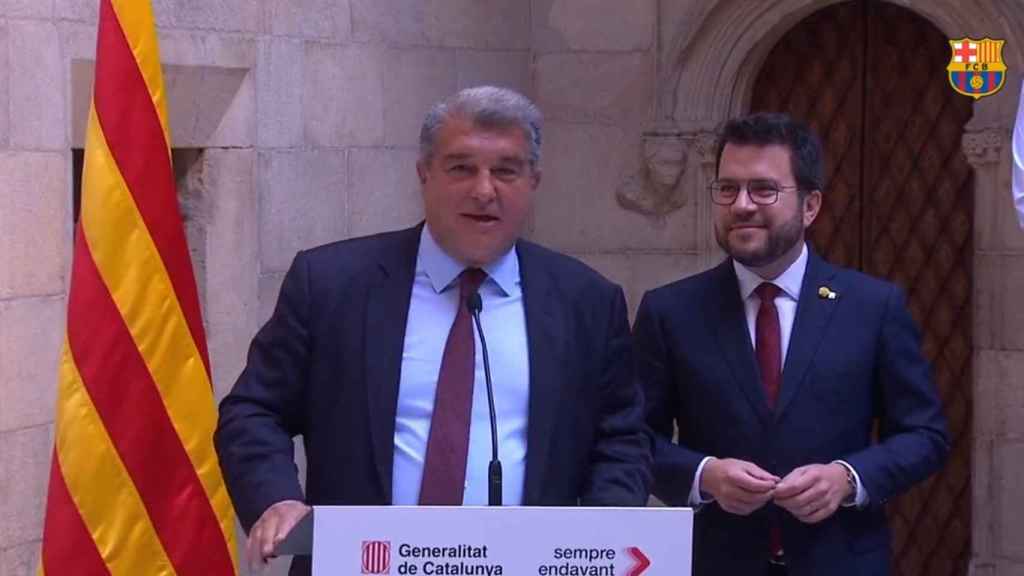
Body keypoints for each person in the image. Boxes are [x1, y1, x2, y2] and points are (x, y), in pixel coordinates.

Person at [215, 86, 651, 575]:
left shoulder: (585, 300)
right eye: (461, 168)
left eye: (505, 171)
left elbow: (621, 437)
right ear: (424, 174)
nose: (484, 191)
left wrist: (599, 538)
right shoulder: (333, 284)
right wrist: (277, 499)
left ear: (534, 181)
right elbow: (253, 410)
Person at [633, 112, 949, 576]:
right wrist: (705, 475)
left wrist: (848, 478)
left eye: (763, 189)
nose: (741, 205)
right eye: (727, 189)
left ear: (810, 206)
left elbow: (926, 436)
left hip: (840, 560)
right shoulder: (671, 311)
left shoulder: (871, 306)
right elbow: (634, 438)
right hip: (717, 561)